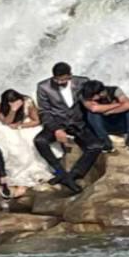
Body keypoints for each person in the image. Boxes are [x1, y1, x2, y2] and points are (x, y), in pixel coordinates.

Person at [33, 62, 103, 194]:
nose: (61, 82)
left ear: (70, 75)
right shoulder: (43, 87)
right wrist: (56, 129)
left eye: (64, 79)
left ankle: (72, 176)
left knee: (95, 146)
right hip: (57, 123)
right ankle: (59, 172)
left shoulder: (83, 82)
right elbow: (44, 112)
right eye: (57, 80)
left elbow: (94, 101)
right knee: (40, 141)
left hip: (79, 123)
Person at [0, 89, 62, 197]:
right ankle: (10, 178)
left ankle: (24, 183)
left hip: (24, 125)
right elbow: (6, 122)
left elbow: (37, 121)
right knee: (9, 145)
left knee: (27, 147)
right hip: (4, 125)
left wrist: (21, 126)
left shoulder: (28, 102)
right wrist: (13, 110)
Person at [81, 80, 129, 152]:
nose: (91, 100)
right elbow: (94, 108)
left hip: (118, 123)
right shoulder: (84, 95)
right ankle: (105, 143)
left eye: (92, 97)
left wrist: (110, 111)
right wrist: (119, 104)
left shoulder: (115, 90)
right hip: (101, 126)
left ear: (100, 93)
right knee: (92, 114)